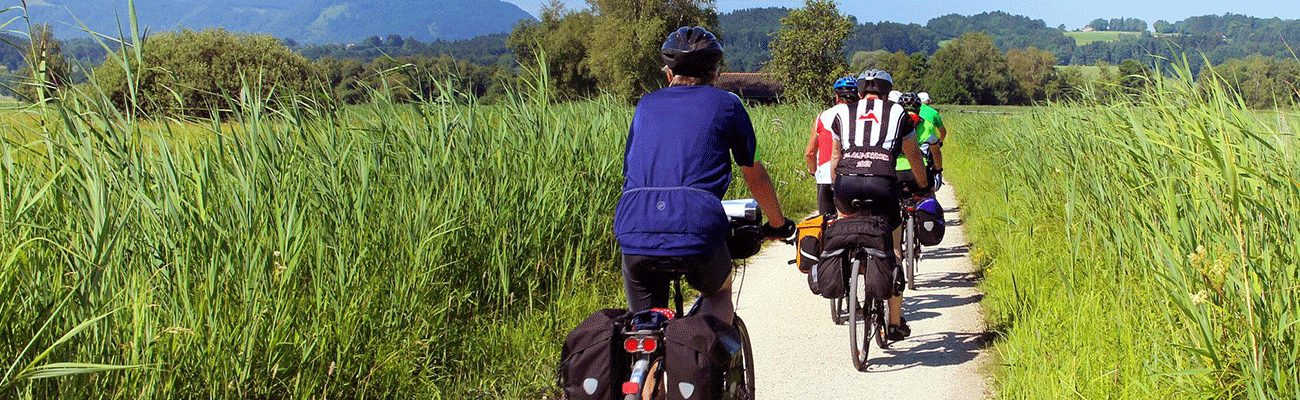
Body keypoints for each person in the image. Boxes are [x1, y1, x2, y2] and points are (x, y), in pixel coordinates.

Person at [614, 26, 795, 327]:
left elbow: (630, 170)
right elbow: (754, 174)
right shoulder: (728, 105)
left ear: (669, 74)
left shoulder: (645, 105)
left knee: (644, 328)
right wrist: (778, 224)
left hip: (634, 224)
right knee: (719, 293)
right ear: (715, 74)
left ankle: (644, 369)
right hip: (697, 224)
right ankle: (711, 364)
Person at [827, 69, 930, 340]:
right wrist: (923, 185)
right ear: (887, 92)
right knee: (893, 247)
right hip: (882, 184)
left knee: (846, 229)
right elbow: (914, 157)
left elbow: (835, 159)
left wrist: (837, 189)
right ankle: (894, 322)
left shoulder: (843, 113)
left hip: (846, 184)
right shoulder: (899, 115)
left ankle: (851, 271)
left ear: (860, 92)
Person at [805, 77, 859, 216]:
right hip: (855, 177)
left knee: (825, 222)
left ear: (836, 97)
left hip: (826, 177)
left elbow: (810, 153)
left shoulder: (822, 116)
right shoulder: (863, 117)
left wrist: (813, 171)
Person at [895, 92, 943, 190]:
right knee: (927, 195)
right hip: (920, 171)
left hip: (895, 172)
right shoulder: (927, 125)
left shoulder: (892, 124)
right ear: (919, 109)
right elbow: (935, 151)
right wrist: (938, 170)